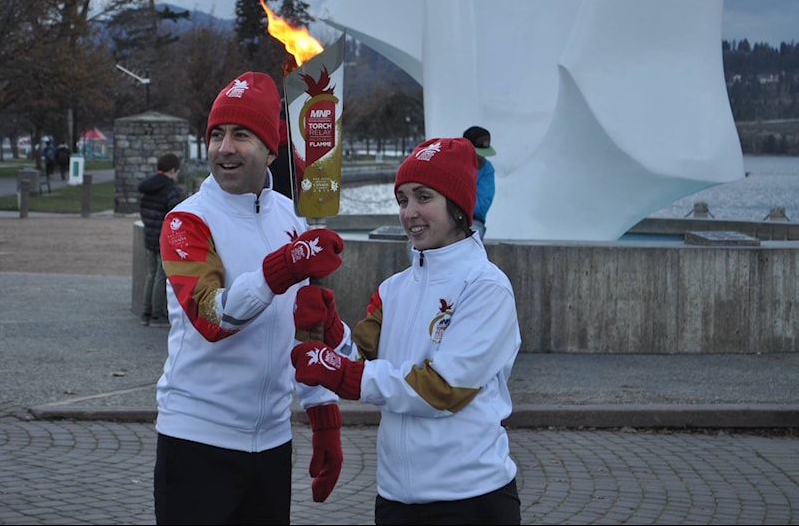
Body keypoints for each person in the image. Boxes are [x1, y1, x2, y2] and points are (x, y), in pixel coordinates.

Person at [291, 136, 523, 525]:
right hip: (396, 498)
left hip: (470, 499)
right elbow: (360, 357)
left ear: (458, 206)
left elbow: (443, 388)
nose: (409, 213)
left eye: (423, 197)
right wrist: (329, 331)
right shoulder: (393, 289)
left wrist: (344, 375)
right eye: (402, 200)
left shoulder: (486, 288)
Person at [154, 71, 347, 524]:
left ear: (270, 149)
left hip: (272, 445)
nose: (225, 148)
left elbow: (303, 333)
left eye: (241, 134)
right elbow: (212, 316)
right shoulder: (186, 222)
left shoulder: (293, 219)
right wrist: (285, 268)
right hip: (198, 442)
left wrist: (323, 416)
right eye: (217, 134)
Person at [137, 152, 184, 326]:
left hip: (149, 234)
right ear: (172, 170)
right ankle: (157, 315)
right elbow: (177, 214)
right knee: (161, 275)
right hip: (162, 237)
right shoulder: (169, 189)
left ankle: (145, 312)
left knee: (151, 274)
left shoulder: (148, 187)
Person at [462, 125, 496, 241]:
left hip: (473, 220)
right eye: (477, 154)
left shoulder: (487, 169)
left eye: (483, 154)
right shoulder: (451, 164)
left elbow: (482, 206)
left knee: (471, 239)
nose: (481, 158)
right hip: (446, 218)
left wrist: (457, 201)